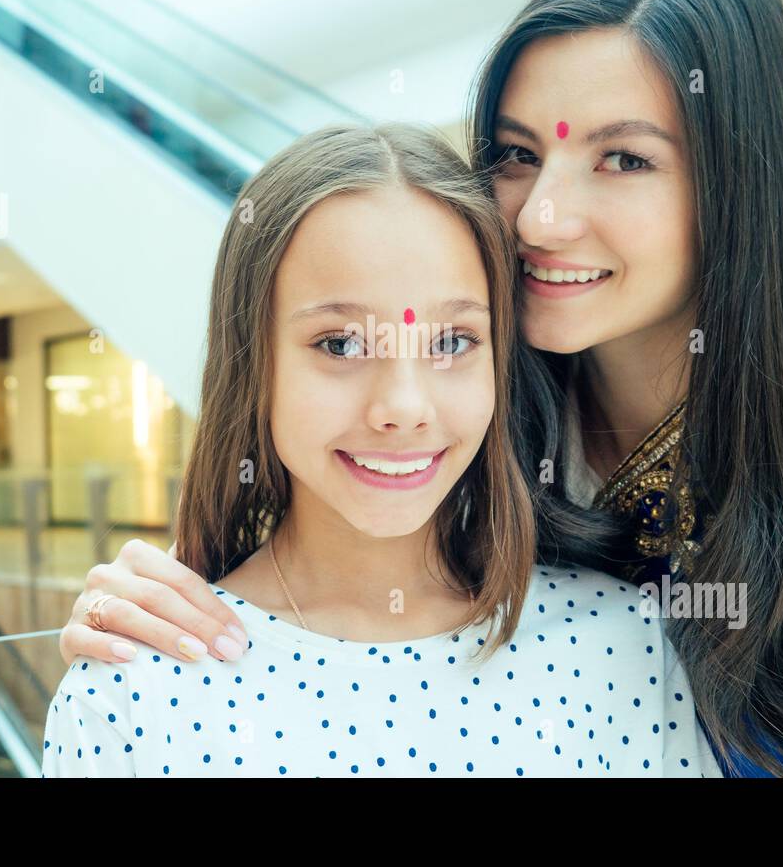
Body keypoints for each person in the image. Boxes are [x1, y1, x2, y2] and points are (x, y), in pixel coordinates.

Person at [58, 0, 783, 777]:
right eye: (515, 153)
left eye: (622, 159)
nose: (540, 215)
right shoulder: (490, 413)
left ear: (737, 184)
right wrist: (152, 603)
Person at [42, 122, 721, 777]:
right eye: (341, 344)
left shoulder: (621, 644)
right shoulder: (131, 687)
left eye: (451, 342)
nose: (403, 406)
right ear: (256, 364)